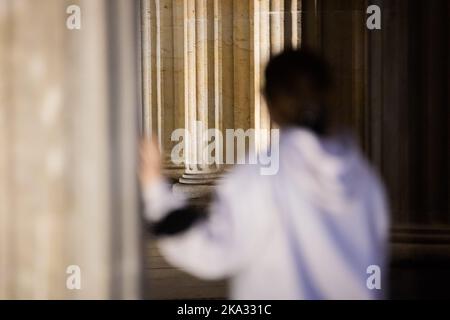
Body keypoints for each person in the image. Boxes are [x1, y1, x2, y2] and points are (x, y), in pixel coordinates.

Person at [139, 48, 389, 299]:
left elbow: (213, 252)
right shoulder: (365, 178)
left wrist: (155, 190)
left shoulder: (262, 175)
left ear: (267, 101)